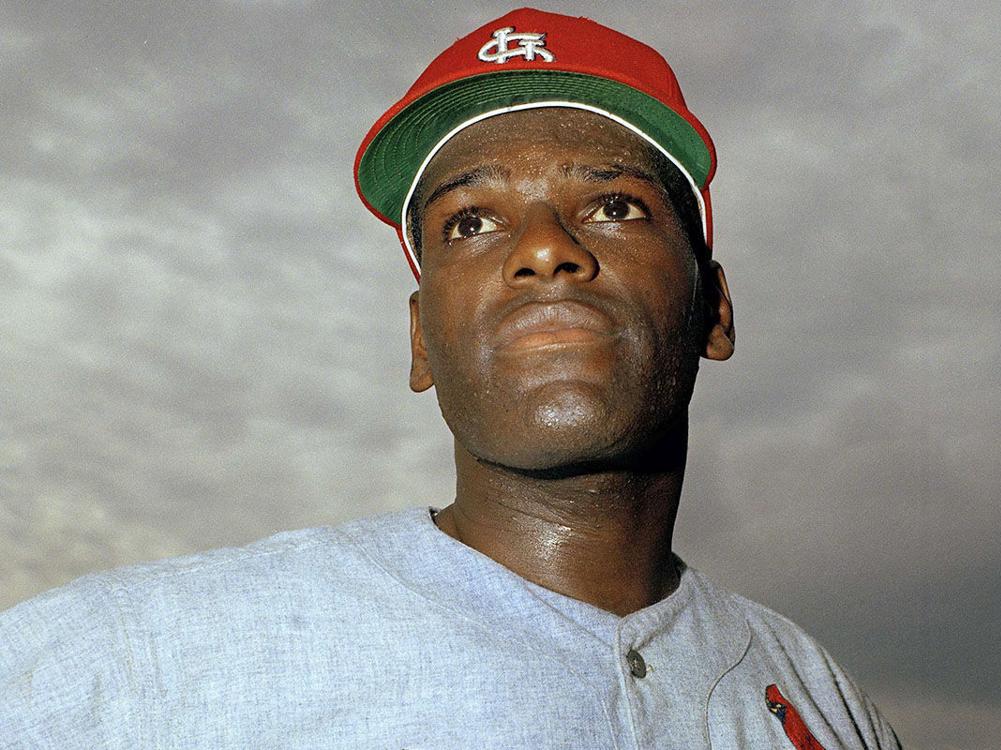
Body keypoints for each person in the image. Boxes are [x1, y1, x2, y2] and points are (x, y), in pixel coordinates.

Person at [1, 8, 900, 749]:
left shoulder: (821, 698)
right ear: (420, 342)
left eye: (613, 205)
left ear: (715, 311)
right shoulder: (128, 663)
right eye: (471, 221)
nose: (546, 246)